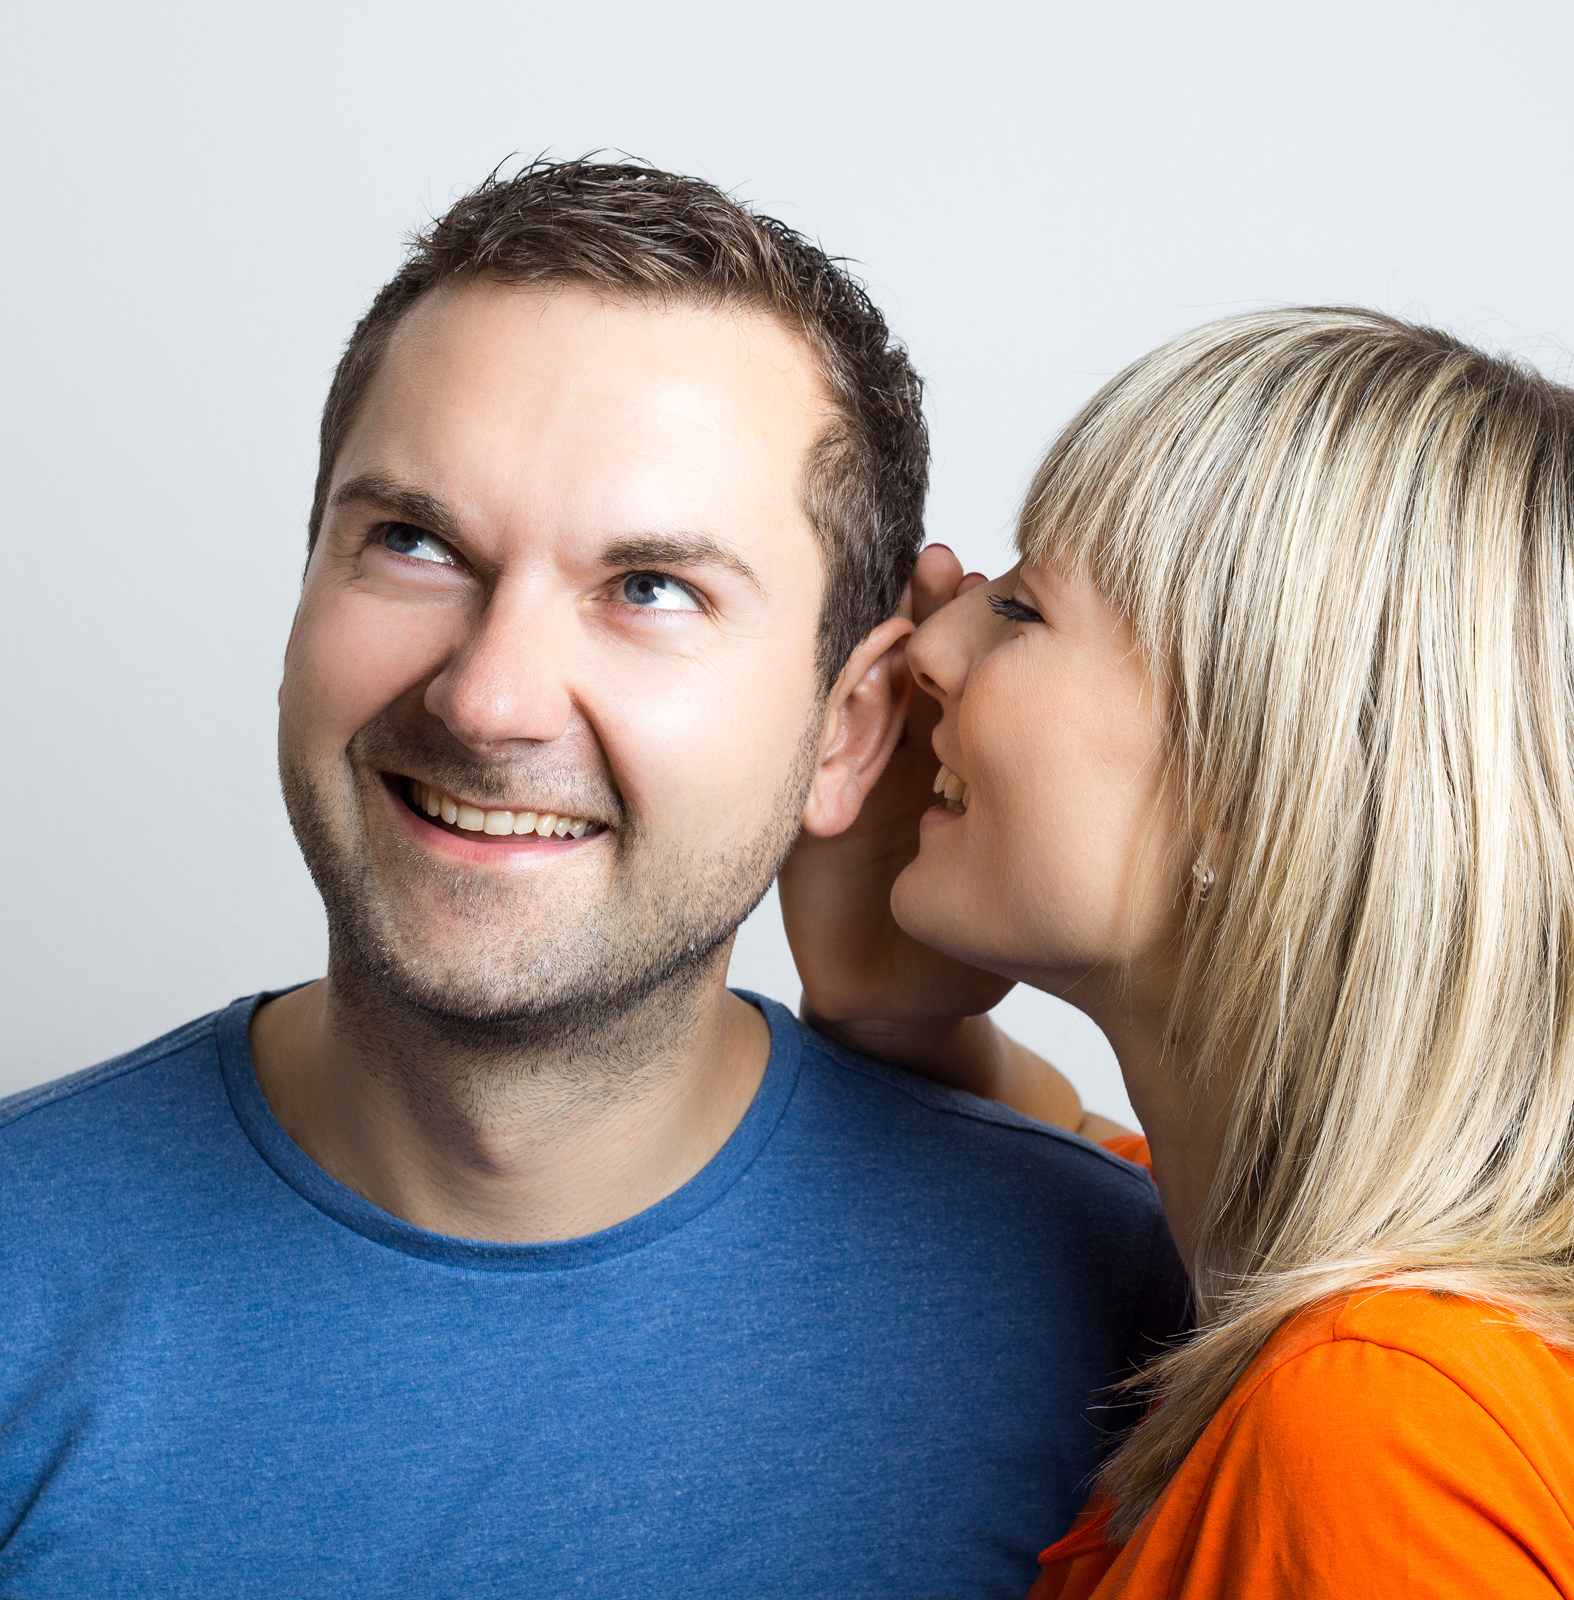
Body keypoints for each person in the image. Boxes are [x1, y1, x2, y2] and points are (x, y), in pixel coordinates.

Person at [0, 160, 1188, 1597]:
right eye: (414, 543)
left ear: (848, 728)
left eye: (650, 589)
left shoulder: (1135, 1327)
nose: (489, 700)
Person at [783, 307, 1574, 1597]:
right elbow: (1086, 1163)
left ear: (1255, 777)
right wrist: (898, 1019)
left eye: (1023, 610)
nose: (930, 644)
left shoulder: (1379, 1434)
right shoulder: (1298, 1286)